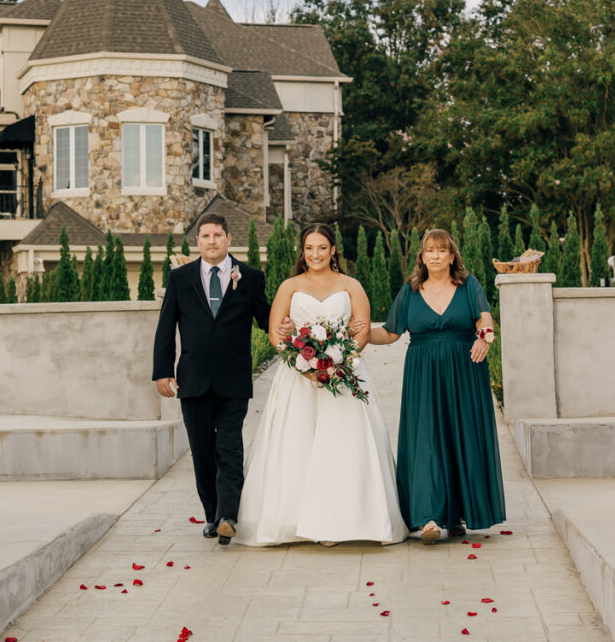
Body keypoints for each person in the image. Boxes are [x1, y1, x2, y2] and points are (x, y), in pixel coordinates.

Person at [236, 223, 407, 546]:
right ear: (303, 251)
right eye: (310, 248)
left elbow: (361, 332)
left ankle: (343, 521)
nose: (315, 254)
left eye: (322, 248)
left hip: (344, 378)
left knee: (343, 445)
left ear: (333, 251)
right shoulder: (290, 286)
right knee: (296, 444)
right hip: (297, 378)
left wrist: (337, 363)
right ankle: (291, 520)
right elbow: (276, 333)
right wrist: (303, 365)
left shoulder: (351, 284)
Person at [368, 228, 505, 543]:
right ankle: (429, 518)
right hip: (424, 373)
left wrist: (485, 339)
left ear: (452, 255)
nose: (435, 256)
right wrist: (357, 335)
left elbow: (485, 319)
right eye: (430, 250)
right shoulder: (411, 290)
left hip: (465, 371)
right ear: (422, 256)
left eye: (442, 250)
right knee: (427, 441)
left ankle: (457, 514)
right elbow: (390, 333)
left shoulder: (468, 285)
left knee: (461, 438)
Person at [152, 212, 270, 546]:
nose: (212, 241)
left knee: (229, 446)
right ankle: (212, 514)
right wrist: (162, 371)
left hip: (233, 378)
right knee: (202, 450)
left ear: (229, 239)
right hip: (193, 379)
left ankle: (229, 516)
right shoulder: (181, 278)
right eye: (205, 236)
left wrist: (286, 330)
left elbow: (264, 317)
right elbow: (166, 327)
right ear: (198, 241)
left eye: (218, 235)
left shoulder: (250, 277)